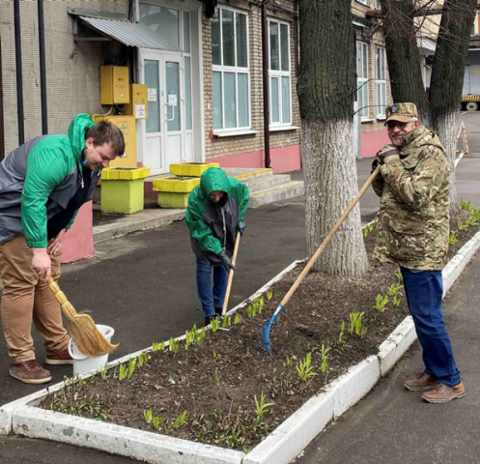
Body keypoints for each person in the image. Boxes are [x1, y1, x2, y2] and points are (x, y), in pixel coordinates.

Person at [0, 114, 125, 384]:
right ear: (89, 142)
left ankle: (56, 346)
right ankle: (21, 358)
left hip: (46, 223)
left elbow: (77, 199)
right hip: (13, 217)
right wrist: (37, 250)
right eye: (103, 157)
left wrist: (63, 229)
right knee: (21, 284)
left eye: (109, 161)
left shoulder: (91, 163)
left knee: (47, 282)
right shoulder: (55, 154)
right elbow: (32, 201)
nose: (104, 164)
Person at [372, 102, 464, 404]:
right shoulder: (405, 153)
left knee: (427, 316)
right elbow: (388, 194)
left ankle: (451, 380)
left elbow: (415, 197)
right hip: (407, 245)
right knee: (422, 315)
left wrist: (393, 165)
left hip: (423, 249)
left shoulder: (430, 154)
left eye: (401, 124)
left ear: (415, 123)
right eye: (390, 125)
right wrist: (382, 170)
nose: (395, 129)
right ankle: (436, 370)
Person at [186, 167, 249, 326]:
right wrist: (218, 251)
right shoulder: (196, 200)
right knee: (205, 268)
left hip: (226, 234)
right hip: (203, 238)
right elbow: (200, 230)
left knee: (223, 266)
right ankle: (209, 313)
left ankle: (220, 306)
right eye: (212, 195)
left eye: (220, 194)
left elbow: (244, 197)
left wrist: (240, 217)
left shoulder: (234, 187)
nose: (216, 198)